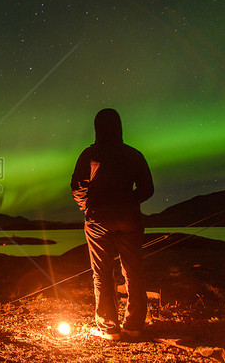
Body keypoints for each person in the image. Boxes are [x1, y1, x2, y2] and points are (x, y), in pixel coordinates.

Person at [71, 108, 154, 340]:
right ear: (119, 127)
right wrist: (129, 202)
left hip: (98, 218)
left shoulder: (90, 154)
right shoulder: (133, 155)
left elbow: (76, 185)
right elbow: (148, 189)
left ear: (97, 127)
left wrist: (86, 206)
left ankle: (108, 328)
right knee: (134, 271)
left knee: (102, 272)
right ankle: (134, 326)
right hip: (129, 218)